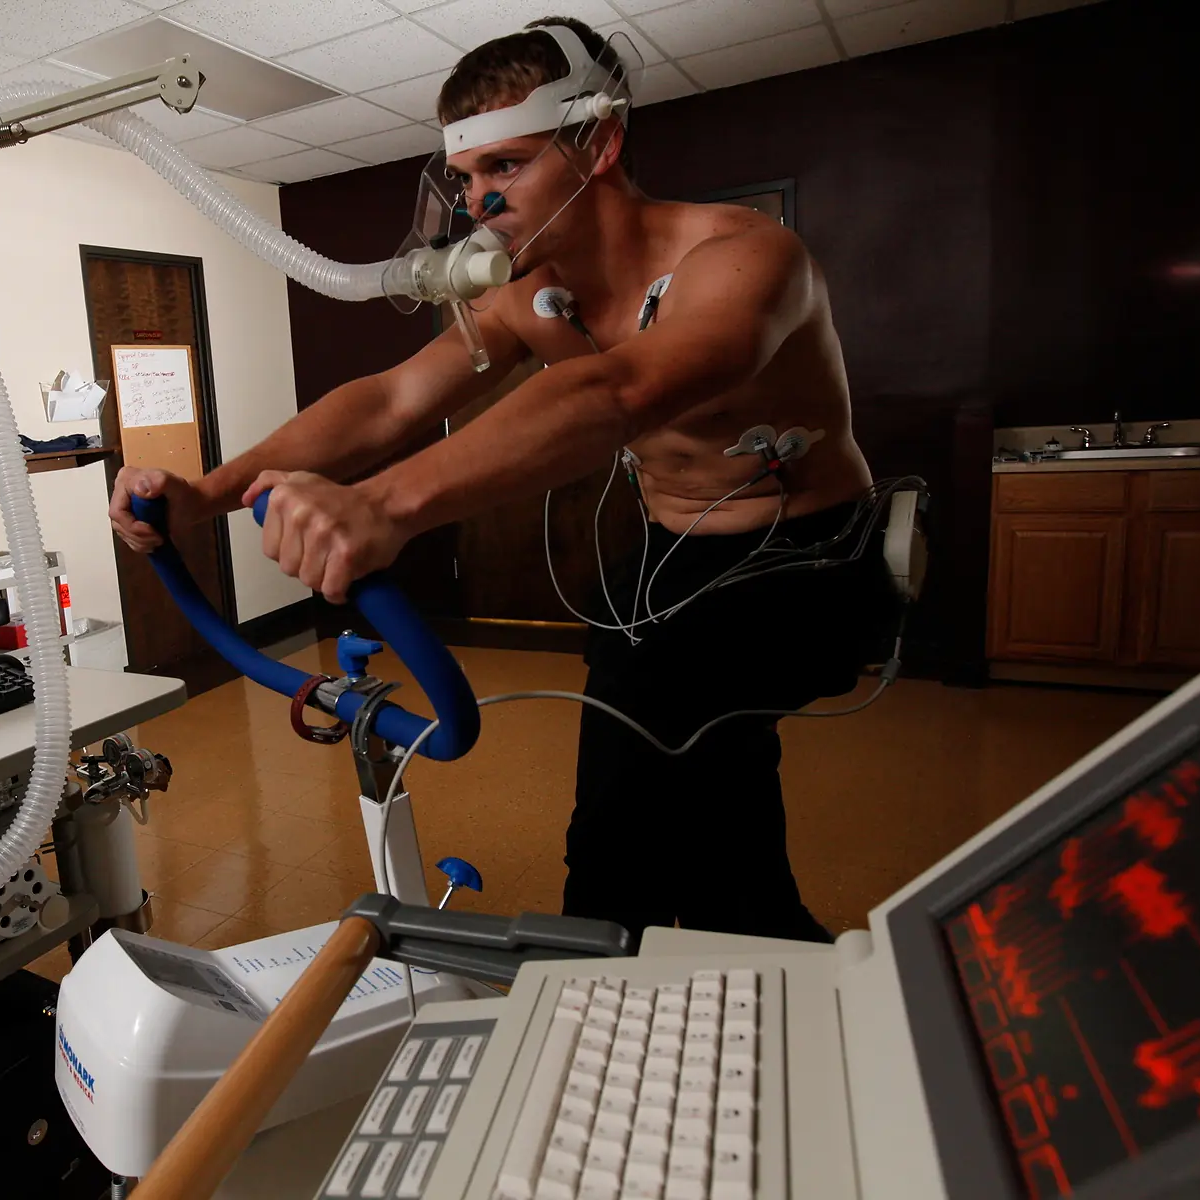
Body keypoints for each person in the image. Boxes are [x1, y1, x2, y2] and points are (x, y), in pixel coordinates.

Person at [109, 17, 898, 946]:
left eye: (508, 168)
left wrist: (383, 506)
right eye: (467, 178)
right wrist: (211, 489)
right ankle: (734, 934)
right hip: (671, 551)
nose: (479, 202)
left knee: (654, 788)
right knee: (687, 773)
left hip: (804, 554)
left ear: (599, 143)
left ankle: (637, 955)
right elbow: (393, 399)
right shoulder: (526, 295)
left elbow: (623, 388)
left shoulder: (745, 258)